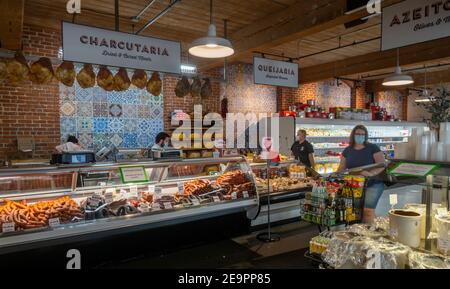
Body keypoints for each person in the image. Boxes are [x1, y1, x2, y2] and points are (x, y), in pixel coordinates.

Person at [337, 125, 386, 224]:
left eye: (363, 134)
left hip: (373, 184)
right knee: (358, 212)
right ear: (353, 135)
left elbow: (382, 165)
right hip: (355, 185)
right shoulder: (347, 150)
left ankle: (370, 235)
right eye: (358, 134)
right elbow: (341, 168)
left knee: (368, 211)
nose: (360, 136)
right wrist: (335, 177)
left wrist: (370, 174)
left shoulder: (373, 148)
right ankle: (369, 230)